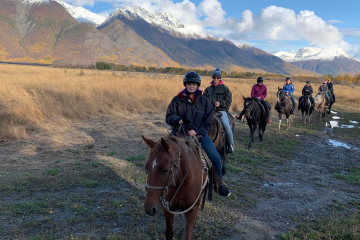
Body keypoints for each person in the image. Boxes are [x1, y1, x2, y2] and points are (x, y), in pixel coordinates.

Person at [166, 71, 231, 197]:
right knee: (163, 153)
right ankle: (158, 183)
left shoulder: (203, 100)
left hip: (199, 135)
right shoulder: (177, 99)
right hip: (179, 132)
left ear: (198, 85)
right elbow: (169, 116)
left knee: (216, 158)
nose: (191, 86)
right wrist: (176, 119)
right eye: (189, 84)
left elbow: (208, 119)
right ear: (185, 84)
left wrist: (198, 130)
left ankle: (218, 184)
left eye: (194, 84)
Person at [204, 68, 234, 153]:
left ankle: (231, 144)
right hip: (210, 111)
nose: (216, 79)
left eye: (218, 77)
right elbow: (203, 101)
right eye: (214, 77)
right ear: (212, 78)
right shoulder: (208, 89)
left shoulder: (225, 89)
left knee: (226, 126)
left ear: (220, 78)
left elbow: (228, 101)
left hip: (221, 111)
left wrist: (220, 103)